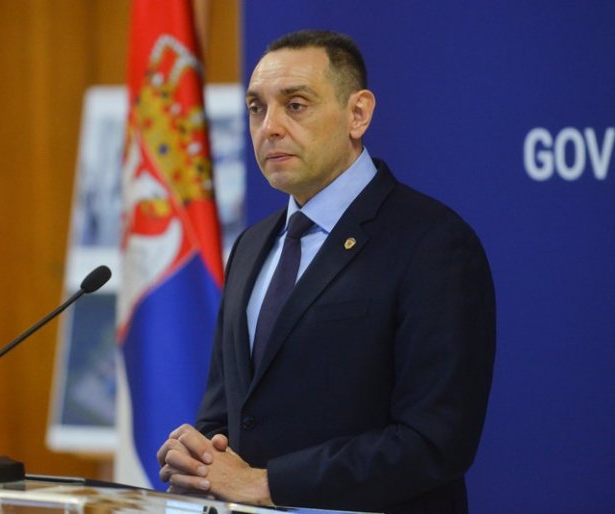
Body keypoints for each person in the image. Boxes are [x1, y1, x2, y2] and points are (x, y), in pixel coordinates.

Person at [157, 29, 495, 514]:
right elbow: (227, 414)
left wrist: (267, 484)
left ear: (358, 114)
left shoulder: (433, 243)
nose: (269, 127)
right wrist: (200, 459)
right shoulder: (251, 246)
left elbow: (434, 442)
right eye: (256, 108)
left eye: (295, 105)